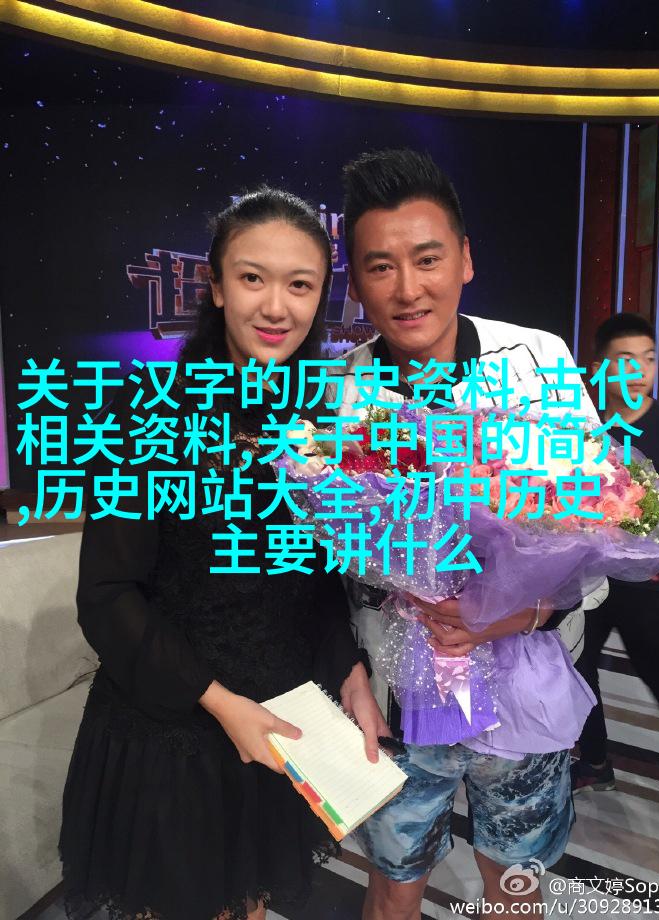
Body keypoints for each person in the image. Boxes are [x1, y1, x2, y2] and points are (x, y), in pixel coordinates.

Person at [59, 188, 387, 920]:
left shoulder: (315, 419)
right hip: (174, 729)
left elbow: (311, 577)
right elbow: (107, 595)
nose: (276, 306)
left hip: (275, 724)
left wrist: (351, 672)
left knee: (249, 905)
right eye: (252, 278)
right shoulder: (149, 412)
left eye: (300, 285)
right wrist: (217, 701)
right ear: (214, 286)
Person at [333, 148, 603, 919]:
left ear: (466, 259)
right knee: (392, 885)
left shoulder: (538, 361)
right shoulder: (340, 395)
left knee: (515, 887)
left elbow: (600, 527)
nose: (407, 288)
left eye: (427, 259)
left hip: (524, 688)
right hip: (398, 696)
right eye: (380, 267)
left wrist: (514, 612)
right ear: (356, 282)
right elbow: (330, 560)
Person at [572, 312, 659, 793]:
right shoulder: (582, 426)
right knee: (577, 670)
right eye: (625, 360)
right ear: (599, 367)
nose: (639, 371)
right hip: (587, 580)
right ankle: (595, 762)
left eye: (648, 358)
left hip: (649, 586)